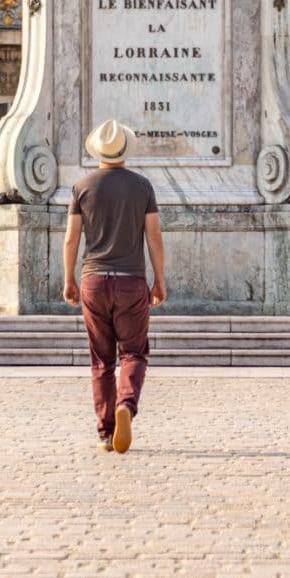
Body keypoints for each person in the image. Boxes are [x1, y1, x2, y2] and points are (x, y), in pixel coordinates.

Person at [63, 120, 166, 455]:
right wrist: (160, 279)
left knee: (101, 360)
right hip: (131, 281)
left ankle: (106, 432)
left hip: (93, 279)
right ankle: (126, 404)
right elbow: (153, 237)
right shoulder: (142, 187)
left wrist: (69, 279)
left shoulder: (82, 186)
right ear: (125, 150)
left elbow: (71, 239)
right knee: (134, 352)